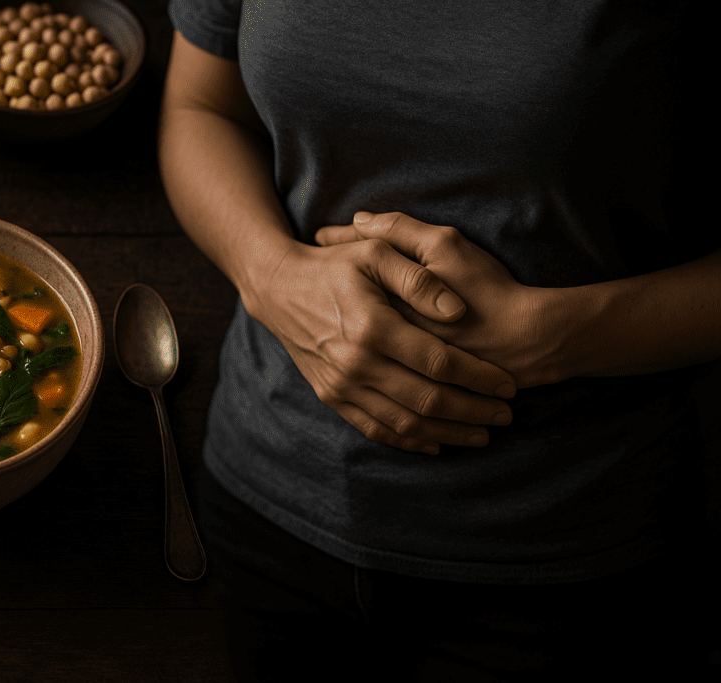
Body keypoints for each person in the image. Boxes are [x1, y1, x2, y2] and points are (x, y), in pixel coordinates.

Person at [157, 1, 718, 680]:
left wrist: (555, 335)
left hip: (563, 553)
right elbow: (200, 110)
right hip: (268, 503)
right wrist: (271, 273)